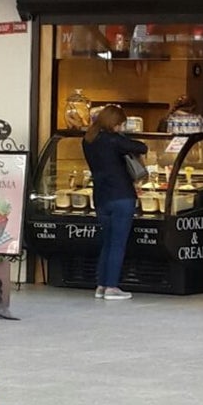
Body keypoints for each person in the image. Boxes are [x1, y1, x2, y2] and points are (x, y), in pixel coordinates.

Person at [82, 104, 147, 300]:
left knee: (107, 242)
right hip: (122, 196)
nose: (121, 128)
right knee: (118, 243)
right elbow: (142, 147)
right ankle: (112, 286)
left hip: (101, 197)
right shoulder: (114, 140)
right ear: (115, 123)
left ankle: (101, 285)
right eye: (121, 124)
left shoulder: (88, 140)